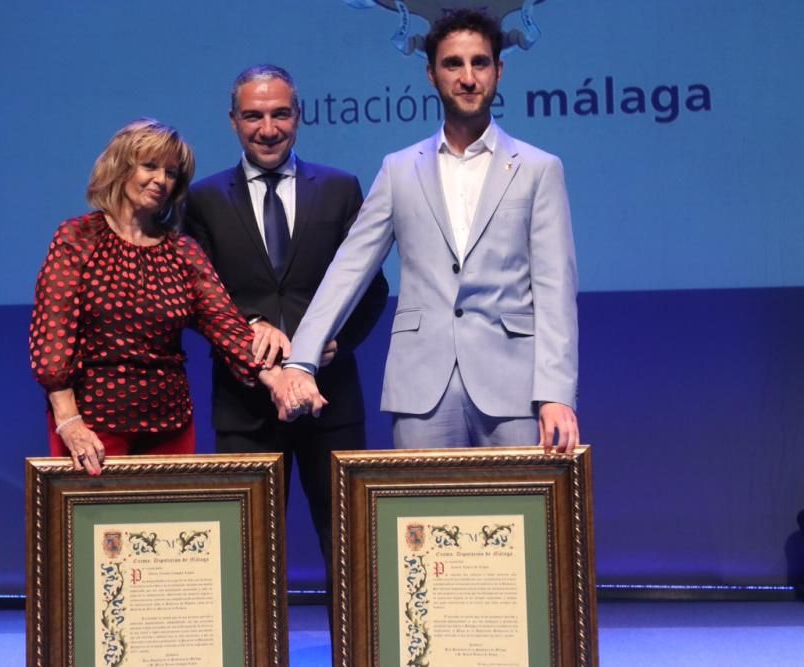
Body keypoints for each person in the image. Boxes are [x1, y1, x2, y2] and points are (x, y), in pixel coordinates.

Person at [275, 10, 580, 453]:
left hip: (514, 385)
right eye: (453, 64)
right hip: (422, 387)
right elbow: (349, 269)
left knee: (520, 518)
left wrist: (555, 392)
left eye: (480, 63)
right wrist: (301, 359)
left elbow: (555, 290)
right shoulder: (400, 170)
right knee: (424, 520)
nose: (468, 77)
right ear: (432, 74)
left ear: (499, 70)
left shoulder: (538, 169)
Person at [185, 65, 389, 583]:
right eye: (253, 116)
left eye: (280, 114)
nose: (268, 128)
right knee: (247, 551)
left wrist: (336, 344)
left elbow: (374, 289)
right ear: (233, 121)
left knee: (349, 543)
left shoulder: (340, 189)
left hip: (331, 400)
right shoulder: (204, 200)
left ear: (299, 116)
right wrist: (248, 329)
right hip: (244, 403)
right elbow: (194, 297)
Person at [29, 118, 286, 476]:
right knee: (100, 531)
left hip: (170, 426)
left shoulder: (182, 251)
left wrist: (279, 380)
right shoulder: (78, 238)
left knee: (170, 529)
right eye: (149, 166)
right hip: (93, 427)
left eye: (171, 173)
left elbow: (227, 326)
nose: (161, 180)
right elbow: (52, 337)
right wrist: (68, 420)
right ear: (121, 168)